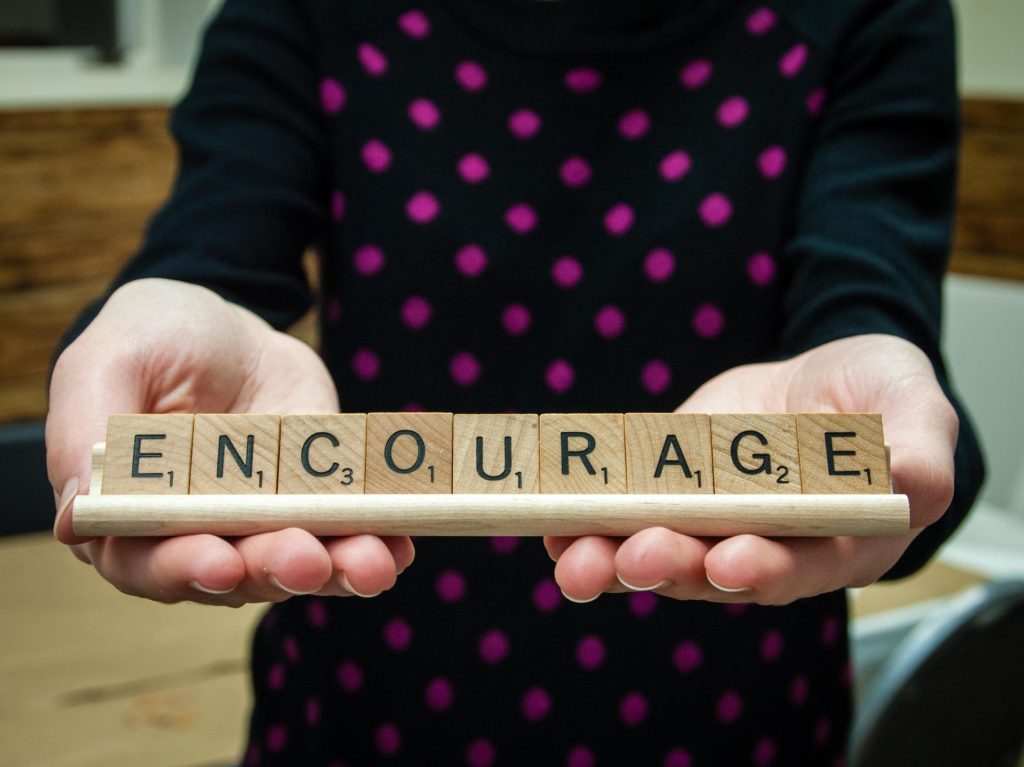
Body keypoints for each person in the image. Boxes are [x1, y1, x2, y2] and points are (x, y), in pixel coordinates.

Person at [47, 0, 983, 764]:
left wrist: (881, 408)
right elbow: (217, 234)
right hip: (360, 699)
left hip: (736, 705)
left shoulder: (869, 14)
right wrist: (170, 307)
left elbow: (869, 294)